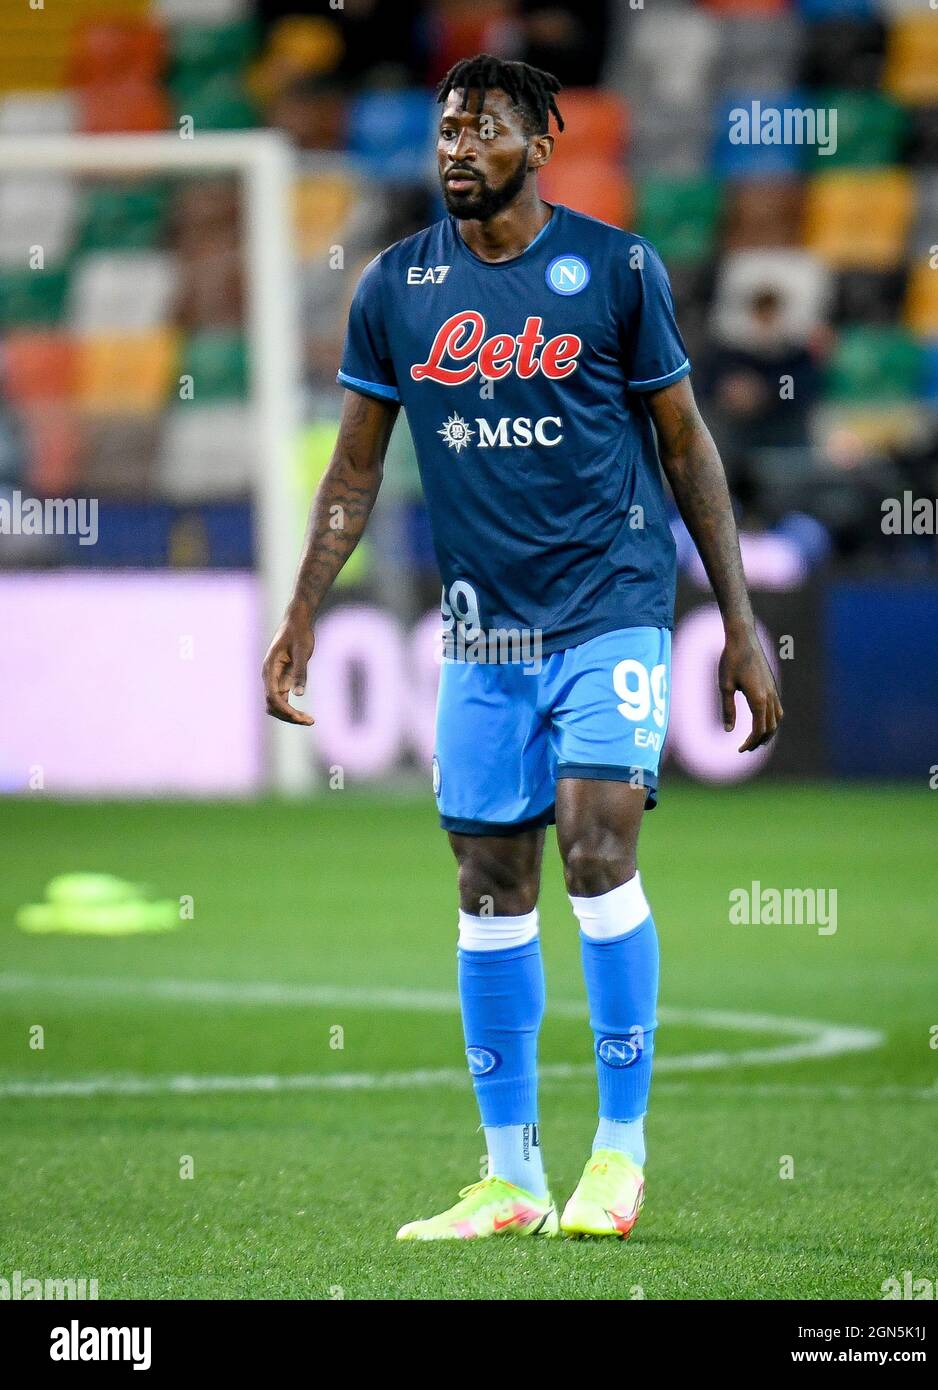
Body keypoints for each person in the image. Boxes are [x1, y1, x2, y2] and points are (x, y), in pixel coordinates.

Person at [262, 54, 782, 1241]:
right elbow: (352, 471)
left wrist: (740, 621)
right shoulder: (396, 287)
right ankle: (510, 1177)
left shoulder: (614, 270)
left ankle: (618, 1154)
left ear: (539, 145)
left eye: (482, 130)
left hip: (610, 607)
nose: (455, 149)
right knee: (488, 888)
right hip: (481, 632)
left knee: (597, 850)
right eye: (445, 129)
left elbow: (689, 448)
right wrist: (300, 611)